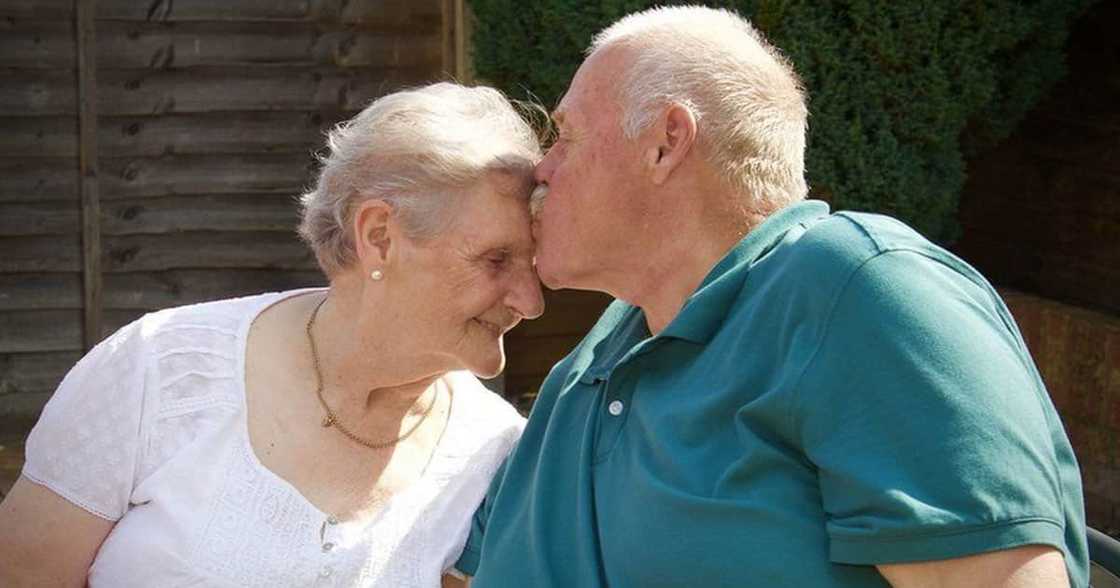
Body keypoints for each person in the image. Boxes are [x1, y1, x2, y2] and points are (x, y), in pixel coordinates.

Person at [458, 6, 1087, 588]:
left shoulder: (853, 290)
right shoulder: (603, 352)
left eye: (566, 136)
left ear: (666, 141)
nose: (542, 169)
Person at [0, 82, 544, 587]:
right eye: (496, 259)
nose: (531, 302)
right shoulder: (160, 371)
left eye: (533, 265)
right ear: (379, 236)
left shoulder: (496, 454)